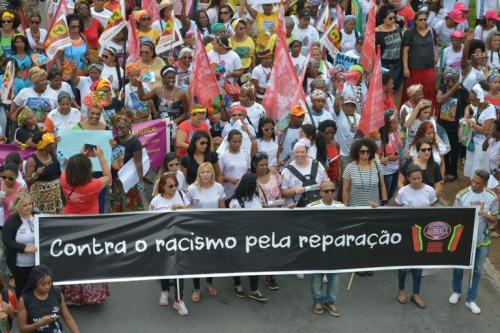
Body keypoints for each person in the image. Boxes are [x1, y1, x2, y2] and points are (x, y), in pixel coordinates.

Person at [449, 169, 498, 314]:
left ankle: (471, 299)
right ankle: (456, 291)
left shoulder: (492, 197)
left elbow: (495, 219)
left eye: (479, 183)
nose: (475, 184)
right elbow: (453, 217)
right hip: (463, 239)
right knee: (458, 267)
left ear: (485, 184)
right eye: (474, 181)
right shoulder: (462, 194)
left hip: (481, 241)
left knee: (476, 270)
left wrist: (485, 214)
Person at [394, 165, 437, 308]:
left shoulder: (430, 190)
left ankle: (416, 293)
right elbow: (395, 209)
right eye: (413, 179)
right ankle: (401, 291)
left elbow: (432, 208)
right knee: (403, 265)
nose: (417, 181)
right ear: (408, 179)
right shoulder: (403, 192)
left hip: (423, 234)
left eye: (419, 178)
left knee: (418, 266)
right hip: (406, 234)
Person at [149, 172, 190, 316]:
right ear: (163, 187)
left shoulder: (181, 195)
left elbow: (192, 211)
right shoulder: (156, 201)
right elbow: (149, 221)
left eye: (176, 185)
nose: (174, 188)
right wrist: (169, 210)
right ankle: (164, 290)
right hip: (163, 240)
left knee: (179, 269)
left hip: (180, 239)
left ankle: (179, 300)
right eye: (170, 186)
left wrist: (182, 209)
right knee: (164, 267)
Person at [187, 162, 224, 302]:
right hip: (197, 230)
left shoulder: (218, 187)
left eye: (208, 171)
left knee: (210, 259)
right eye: (203, 172)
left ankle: (210, 283)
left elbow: (222, 209)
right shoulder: (192, 189)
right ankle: (196, 289)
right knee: (197, 260)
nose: (206, 174)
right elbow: (187, 208)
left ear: (212, 173)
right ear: (199, 174)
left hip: (213, 229)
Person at [228, 173, 267, 302]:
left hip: (255, 237)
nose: (258, 185)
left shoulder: (256, 196)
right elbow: (233, 223)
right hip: (240, 238)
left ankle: (254, 290)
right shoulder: (235, 202)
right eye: (256, 183)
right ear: (250, 185)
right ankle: (237, 284)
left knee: (254, 263)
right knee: (237, 262)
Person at [308, 181, 343, 316]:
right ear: (320, 193)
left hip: (335, 249)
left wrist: (372, 210)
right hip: (317, 249)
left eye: (332, 190)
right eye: (326, 191)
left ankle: (330, 302)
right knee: (317, 277)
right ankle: (317, 300)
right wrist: (291, 211)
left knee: (335, 277)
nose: (330, 193)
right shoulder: (311, 207)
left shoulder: (341, 207)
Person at [17, 265, 79, 333]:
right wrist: (39, 324)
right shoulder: (25, 300)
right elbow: (22, 329)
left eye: (49, 283)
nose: (47, 287)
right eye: (43, 284)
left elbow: (68, 318)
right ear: (34, 283)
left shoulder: (56, 293)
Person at [2, 192, 37, 297]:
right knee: (22, 290)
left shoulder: (37, 216)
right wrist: (24, 249)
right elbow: (7, 241)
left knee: (36, 288)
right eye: (25, 205)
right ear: (18, 206)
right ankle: (22, 310)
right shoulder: (11, 221)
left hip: (37, 263)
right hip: (19, 265)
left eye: (30, 204)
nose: (28, 207)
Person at [437, 67, 468, 182]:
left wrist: (465, 116)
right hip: (442, 125)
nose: (450, 82)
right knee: (444, 149)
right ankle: (446, 170)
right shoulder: (443, 88)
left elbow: (469, 102)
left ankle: (453, 172)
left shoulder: (461, 89)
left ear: (457, 79)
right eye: (448, 79)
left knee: (454, 151)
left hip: (455, 127)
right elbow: (439, 100)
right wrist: (452, 90)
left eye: (453, 80)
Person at [402, 10, 438, 109]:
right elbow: (405, 50)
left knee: (429, 91)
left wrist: (436, 56)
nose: (423, 21)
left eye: (425, 19)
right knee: (413, 92)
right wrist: (405, 67)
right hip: (414, 70)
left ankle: (428, 113)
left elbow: (436, 45)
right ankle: (410, 113)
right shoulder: (409, 32)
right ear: (415, 21)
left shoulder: (431, 31)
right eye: (420, 19)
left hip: (428, 68)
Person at [109, 115, 144, 213]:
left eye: (122, 127)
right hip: (117, 179)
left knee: (130, 206)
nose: (119, 129)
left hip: (129, 180)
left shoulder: (135, 143)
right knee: (116, 205)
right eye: (117, 127)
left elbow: (139, 164)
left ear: (129, 127)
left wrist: (140, 180)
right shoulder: (116, 139)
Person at [281, 139, 329, 207]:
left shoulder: (317, 164)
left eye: (302, 152)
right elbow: (283, 192)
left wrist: (307, 188)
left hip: (317, 205)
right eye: (297, 152)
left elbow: (327, 184)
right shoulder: (287, 170)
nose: (299, 155)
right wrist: (294, 190)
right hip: (296, 207)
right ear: (293, 153)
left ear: (307, 152)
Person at [343, 138, 388, 209]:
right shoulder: (350, 167)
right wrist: (345, 207)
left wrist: (385, 204)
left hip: (374, 208)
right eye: (362, 151)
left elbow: (382, 185)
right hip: (355, 208)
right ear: (357, 152)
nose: (365, 153)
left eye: (368, 151)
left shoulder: (377, 165)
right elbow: (345, 190)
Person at [24, 132, 62, 214]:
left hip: (55, 198)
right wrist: (37, 174)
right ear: (43, 145)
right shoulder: (32, 161)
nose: (54, 145)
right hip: (41, 200)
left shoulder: (52, 154)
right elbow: (28, 181)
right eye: (50, 143)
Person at [463, 83, 496, 179]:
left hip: (482, 144)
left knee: (479, 167)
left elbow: (485, 130)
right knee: (471, 164)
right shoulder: (474, 105)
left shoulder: (490, 109)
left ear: (481, 97)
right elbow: (468, 107)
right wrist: (466, 116)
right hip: (472, 141)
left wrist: (471, 123)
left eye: (473, 100)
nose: (471, 102)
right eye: (470, 99)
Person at [376, 5, 403, 101]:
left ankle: (392, 109)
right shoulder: (377, 32)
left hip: (397, 64)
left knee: (395, 89)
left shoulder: (397, 27)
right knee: (383, 90)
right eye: (390, 18)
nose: (393, 20)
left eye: (394, 18)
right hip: (384, 65)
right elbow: (375, 52)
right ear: (383, 19)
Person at [219, 129, 251, 199]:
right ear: (228, 141)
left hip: (243, 192)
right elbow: (218, 175)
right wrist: (227, 179)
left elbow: (248, 171)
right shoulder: (222, 156)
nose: (237, 144)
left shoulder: (245, 154)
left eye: (240, 141)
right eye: (234, 142)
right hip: (228, 193)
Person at [378, 109, 402, 200]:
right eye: (394, 123)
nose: (397, 125)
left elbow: (400, 146)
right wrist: (388, 158)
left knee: (391, 193)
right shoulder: (379, 138)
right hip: (385, 172)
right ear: (387, 124)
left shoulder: (396, 133)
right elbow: (375, 160)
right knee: (384, 196)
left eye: (397, 123)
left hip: (396, 169)